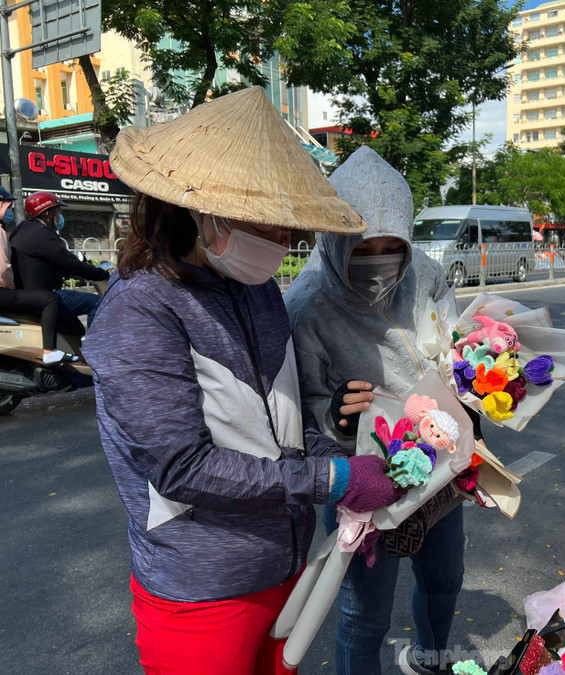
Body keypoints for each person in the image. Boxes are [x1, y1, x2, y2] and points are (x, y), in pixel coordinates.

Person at [81, 87, 405, 675]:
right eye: (264, 223)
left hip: (285, 569)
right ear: (201, 211)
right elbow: (182, 467)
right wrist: (332, 477)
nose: (280, 242)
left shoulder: (259, 293)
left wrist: (333, 442)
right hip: (201, 588)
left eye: (287, 229)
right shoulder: (141, 310)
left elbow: (282, 416)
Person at [285, 146, 467, 675]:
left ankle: (430, 661)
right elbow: (302, 409)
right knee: (364, 614)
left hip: (438, 468)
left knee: (443, 581)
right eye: (364, 248)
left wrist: (472, 387)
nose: (380, 263)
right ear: (336, 238)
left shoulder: (425, 276)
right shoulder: (307, 305)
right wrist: (338, 417)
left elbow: (450, 347)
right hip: (365, 478)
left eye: (394, 248)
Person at [9, 191, 109, 326]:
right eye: (57, 213)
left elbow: (46, 261)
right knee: (98, 303)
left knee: (75, 327)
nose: (59, 217)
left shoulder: (22, 229)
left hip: (28, 295)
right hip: (45, 296)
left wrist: (68, 273)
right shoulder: (42, 233)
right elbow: (69, 262)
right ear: (47, 213)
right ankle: (96, 346)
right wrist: (101, 274)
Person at [0, 187, 75, 365]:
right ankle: (49, 351)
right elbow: (3, 269)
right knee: (50, 299)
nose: (10, 211)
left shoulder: (17, 231)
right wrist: (12, 289)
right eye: (8, 207)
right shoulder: (1, 232)